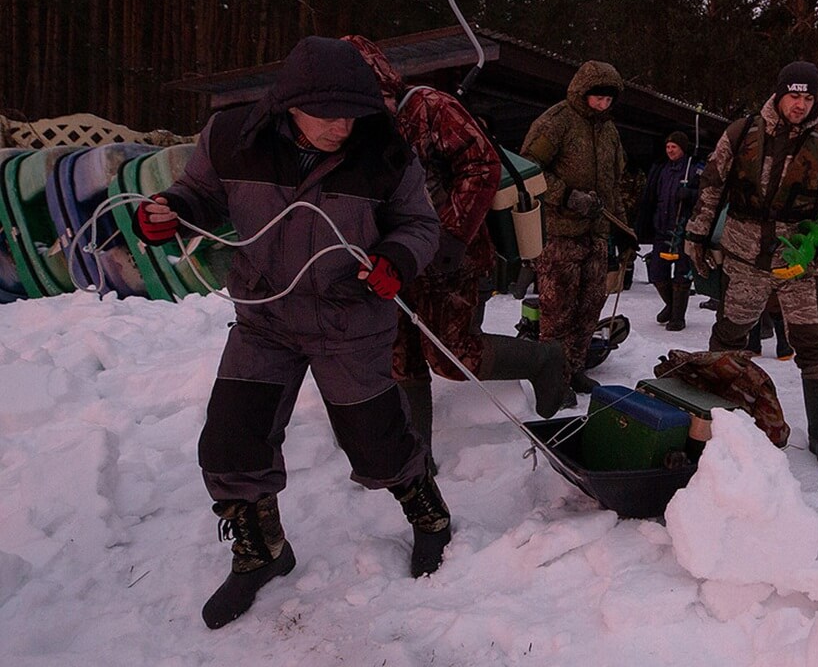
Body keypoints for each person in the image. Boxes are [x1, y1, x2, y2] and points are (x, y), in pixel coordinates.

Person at [132, 36, 446, 630]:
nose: (341, 126)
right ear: (288, 104)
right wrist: (169, 212)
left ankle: (428, 513)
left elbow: (417, 224)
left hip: (347, 319)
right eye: (326, 113)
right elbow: (198, 195)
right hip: (265, 318)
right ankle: (263, 551)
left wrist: (395, 261)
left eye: (352, 111)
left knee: (377, 444)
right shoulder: (233, 137)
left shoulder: (384, 151)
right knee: (231, 441)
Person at [344, 37, 573, 461]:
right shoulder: (348, 129)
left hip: (452, 254)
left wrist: (452, 234)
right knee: (400, 356)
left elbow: (481, 162)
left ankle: (543, 359)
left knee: (452, 355)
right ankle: (413, 461)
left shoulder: (428, 107)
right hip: (392, 258)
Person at [683, 60, 818, 465]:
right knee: (728, 338)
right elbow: (712, 186)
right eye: (794, 95)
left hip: (798, 263)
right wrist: (696, 235)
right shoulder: (741, 133)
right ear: (779, 94)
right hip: (743, 255)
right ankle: (715, 422)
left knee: (813, 344)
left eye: (808, 97)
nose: (800, 104)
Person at [521, 60, 629, 394]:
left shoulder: (609, 130)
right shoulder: (557, 122)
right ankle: (552, 380)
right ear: (583, 93)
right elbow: (527, 170)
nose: (603, 104)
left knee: (589, 305)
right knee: (557, 312)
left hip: (595, 235)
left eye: (608, 99)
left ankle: (575, 368)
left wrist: (623, 229)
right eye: (597, 97)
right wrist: (567, 196)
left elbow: (614, 184)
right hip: (559, 234)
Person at [635, 131, 703, 331]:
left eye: (674, 147)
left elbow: (708, 193)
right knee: (657, 272)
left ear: (682, 148)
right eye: (668, 147)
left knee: (682, 273)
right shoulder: (661, 169)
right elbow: (650, 197)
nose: (670, 150)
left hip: (683, 229)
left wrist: (690, 194)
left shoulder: (694, 168)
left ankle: (677, 317)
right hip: (661, 228)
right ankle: (671, 305)